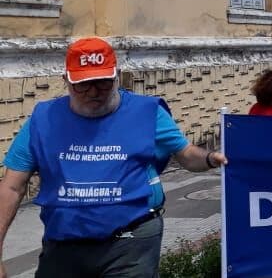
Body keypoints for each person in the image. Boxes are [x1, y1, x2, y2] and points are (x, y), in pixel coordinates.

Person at [0, 37, 227, 278]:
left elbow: (187, 155)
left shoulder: (147, 113)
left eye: (103, 82)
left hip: (130, 241)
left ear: (117, 75)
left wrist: (212, 157)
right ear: (66, 80)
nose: (94, 92)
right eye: (83, 84)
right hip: (63, 243)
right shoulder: (43, 119)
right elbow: (12, 187)